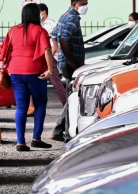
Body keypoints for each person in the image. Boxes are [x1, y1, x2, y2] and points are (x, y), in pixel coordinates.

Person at [0, 3, 54, 152]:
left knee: (21, 107)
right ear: (36, 15)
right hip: (35, 72)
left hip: (15, 72)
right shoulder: (40, 30)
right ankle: (36, 139)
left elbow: (4, 50)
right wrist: (50, 69)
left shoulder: (12, 31)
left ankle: (20, 142)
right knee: (40, 104)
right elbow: (47, 50)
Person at [50, 0, 88, 142]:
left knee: (71, 98)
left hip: (66, 62)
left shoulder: (64, 16)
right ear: (74, 4)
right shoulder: (72, 19)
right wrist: (70, 60)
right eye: (83, 3)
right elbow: (63, 39)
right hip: (70, 64)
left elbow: (54, 34)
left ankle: (59, 130)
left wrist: (56, 51)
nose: (85, 6)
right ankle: (65, 133)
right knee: (72, 99)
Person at [28, 3, 68, 117]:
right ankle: (32, 108)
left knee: (57, 84)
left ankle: (67, 106)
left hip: (50, 58)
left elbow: (56, 45)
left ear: (43, 12)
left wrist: (49, 57)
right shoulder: (39, 25)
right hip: (40, 58)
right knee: (33, 81)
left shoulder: (51, 24)